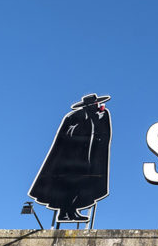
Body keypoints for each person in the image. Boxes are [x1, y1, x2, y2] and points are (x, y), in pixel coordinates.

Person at [28, 93, 111, 222]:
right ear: (89, 106)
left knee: (80, 185)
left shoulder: (97, 116)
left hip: (86, 159)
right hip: (72, 159)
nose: (98, 106)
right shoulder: (75, 116)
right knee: (70, 185)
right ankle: (65, 212)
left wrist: (100, 118)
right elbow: (69, 135)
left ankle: (71, 211)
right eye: (95, 104)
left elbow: (102, 136)